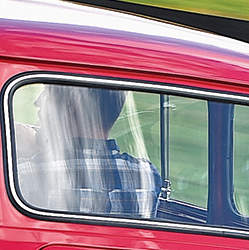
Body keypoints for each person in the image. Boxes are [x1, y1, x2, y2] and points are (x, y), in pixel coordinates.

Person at [14, 84, 161, 218]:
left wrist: (33, 157)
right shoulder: (147, 175)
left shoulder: (25, 176)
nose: (37, 101)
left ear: (72, 102)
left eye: (47, 91)